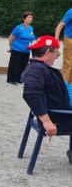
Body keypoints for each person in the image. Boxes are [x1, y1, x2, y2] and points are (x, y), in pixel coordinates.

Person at [21, 35, 72, 163]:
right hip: (62, 116)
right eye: (57, 53)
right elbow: (30, 93)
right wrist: (46, 121)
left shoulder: (36, 66)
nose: (57, 56)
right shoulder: (37, 69)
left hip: (62, 107)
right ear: (48, 52)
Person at [7, 11, 36, 84]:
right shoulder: (19, 28)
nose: (30, 19)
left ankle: (20, 79)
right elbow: (10, 38)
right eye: (29, 17)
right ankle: (12, 79)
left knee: (23, 65)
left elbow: (31, 38)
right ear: (24, 18)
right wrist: (11, 48)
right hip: (17, 49)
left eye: (31, 18)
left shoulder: (31, 28)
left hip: (26, 50)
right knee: (15, 65)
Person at [55, 8, 72, 84]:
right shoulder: (71, 11)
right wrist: (56, 40)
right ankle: (64, 84)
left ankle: (70, 84)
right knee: (68, 63)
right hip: (69, 39)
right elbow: (60, 25)